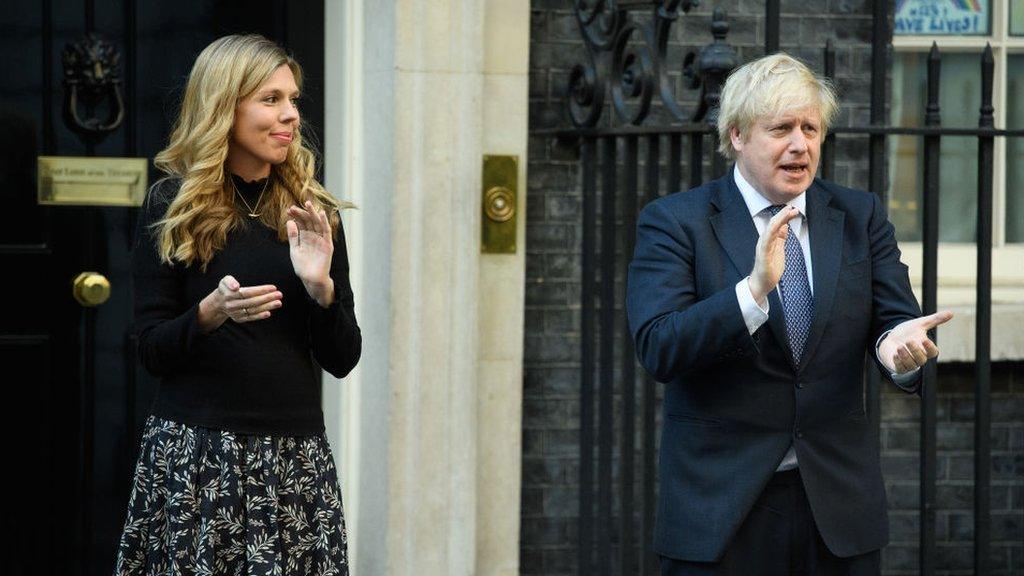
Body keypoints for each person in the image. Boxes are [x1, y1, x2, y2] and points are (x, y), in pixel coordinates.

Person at [626, 53, 952, 575]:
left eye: (810, 128)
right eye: (780, 128)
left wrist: (899, 353)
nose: (800, 144)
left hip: (837, 510)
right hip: (723, 511)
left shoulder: (857, 215)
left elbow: (894, 322)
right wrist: (752, 294)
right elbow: (660, 347)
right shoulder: (675, 223)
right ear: (736, 135)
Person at [114, 34, 360, 576]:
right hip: (197, 453)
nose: (290, 115)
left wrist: (321, 289)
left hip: (294, 458)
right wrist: (209, 314)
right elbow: (152, 350)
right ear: (225, 105)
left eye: (293, 100)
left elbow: (343, 358)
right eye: (270, 99)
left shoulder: (311, 212)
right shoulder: (173, 205)